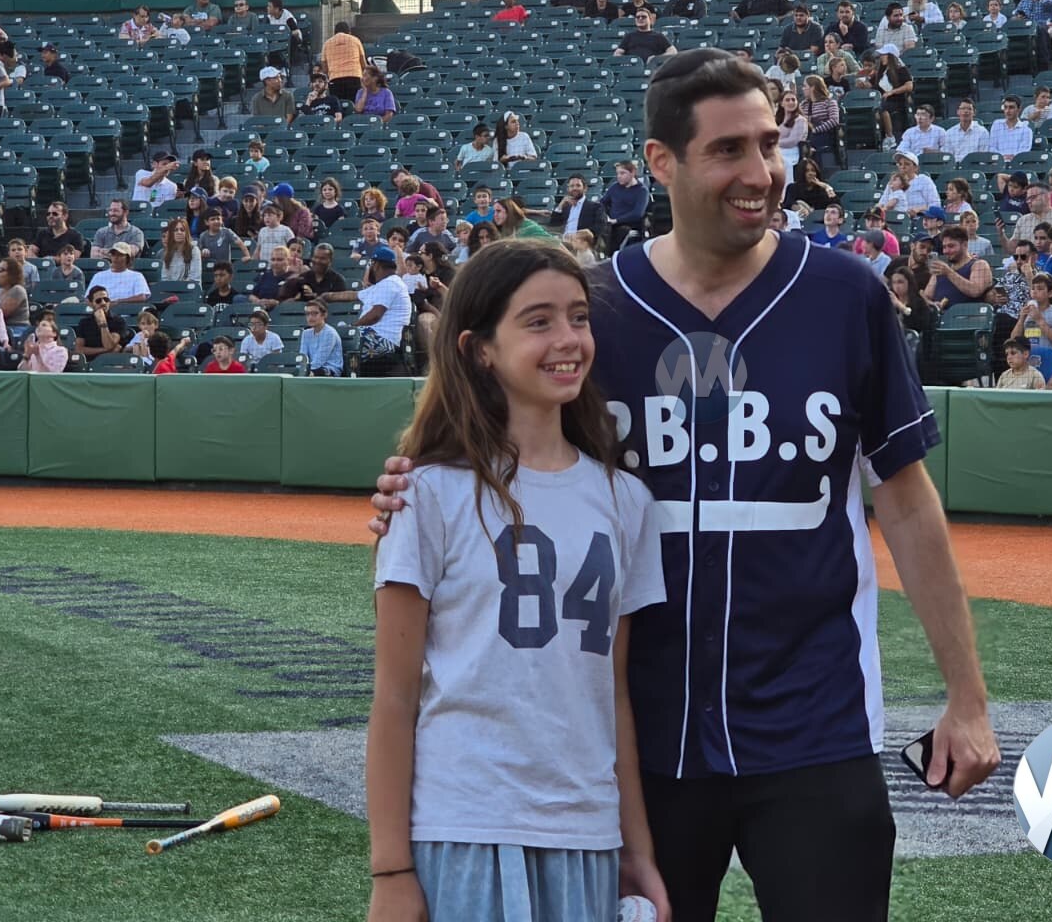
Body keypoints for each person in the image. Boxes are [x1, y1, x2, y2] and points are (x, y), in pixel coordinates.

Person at [371, 47, 1000, 921]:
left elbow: (904, 496)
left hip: (815, 723)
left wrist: (966, 699)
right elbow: (499, 440)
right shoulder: (593, 314)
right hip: (638, 737)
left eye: (769, 144)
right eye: (729, 150)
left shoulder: (845, 294)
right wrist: (411, 478)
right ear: (661, 162)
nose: (763, 173)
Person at [368, 240, 669, 922]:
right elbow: (394, 697)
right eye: (538, 321)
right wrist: (391, 869)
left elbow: (613, 694)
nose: (568, 339)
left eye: (578, 317)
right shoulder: (428, 494)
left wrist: (635, 848)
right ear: (480, 349)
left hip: (586, 835)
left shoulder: (626, 501)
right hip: (464, 827)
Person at [299, 299, 344, 377]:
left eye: (315, 313)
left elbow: (320, 360)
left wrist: (304, 371)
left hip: (330, 369)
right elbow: (303, 356)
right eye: (307, 314)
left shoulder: (330, 333)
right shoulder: (306, 333)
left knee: (310, 374)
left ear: (324, 315)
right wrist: (300, 369)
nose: (310, 317)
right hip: (310, 369)